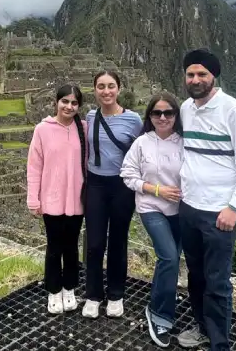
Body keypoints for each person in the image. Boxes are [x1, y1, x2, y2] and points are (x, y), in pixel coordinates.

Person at [175, 48, 236, 351]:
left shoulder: (233, 110)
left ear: (214, 77)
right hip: (189, 208)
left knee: (218, 282)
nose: (195, 79)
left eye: (201, 74)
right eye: (190, 74)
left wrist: (235, 206)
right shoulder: (186, 108)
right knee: (196, 276)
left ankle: (220, 343)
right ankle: (201, 327)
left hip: (219, 213)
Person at [120, 92, 185, 347]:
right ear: (150, 116)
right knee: (169, 257)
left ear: (176, 116)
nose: (162, 117)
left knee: (168, 260)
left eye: (168, 112)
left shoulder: (184, 143)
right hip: (150, 207)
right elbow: (127, 174)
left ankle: (161, 298)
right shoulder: (141, 144)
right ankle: (159, 314)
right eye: (157, 113)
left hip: (179, 211)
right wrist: (156, 189)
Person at [82, 70, 143, 319]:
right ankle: (93, 294)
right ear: (95, 90)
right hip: (95, 184)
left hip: (121, 186)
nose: (106, 91)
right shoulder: (90, 116)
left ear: (119, 88)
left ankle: (116, 294)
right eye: (100, 86)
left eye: (111, 86)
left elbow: (142, 152)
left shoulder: (133, 120)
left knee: (118, 241)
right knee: (95, 243)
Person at [26, 84, 88, 314]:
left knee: (71, 247)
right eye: (65, 101)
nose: (69, 106)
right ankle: (53, 291)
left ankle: (70, 288)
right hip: (51, 200)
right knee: (54, 248)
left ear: (79, 106)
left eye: (74, 103)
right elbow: (34, 166)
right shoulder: (42, 129)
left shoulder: (83, 128)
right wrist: (33, 199)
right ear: (56, 102)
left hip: (76, 201)